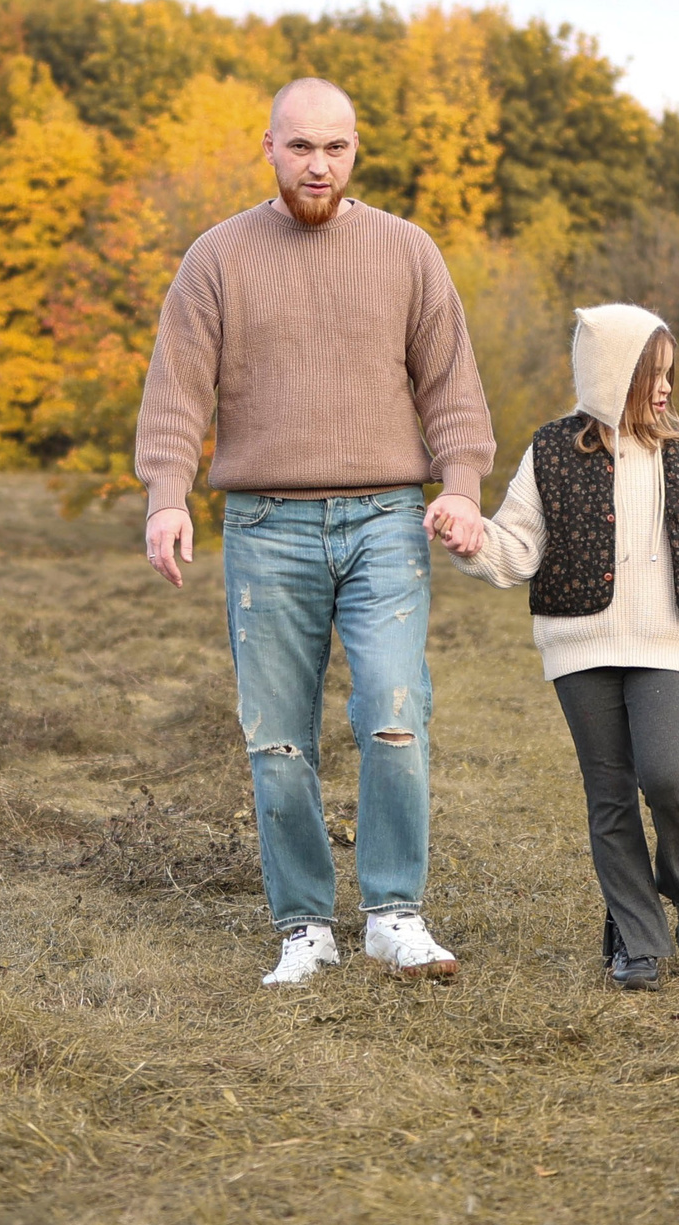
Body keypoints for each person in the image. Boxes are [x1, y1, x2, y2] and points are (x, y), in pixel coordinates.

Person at [134, 77, 496, 985]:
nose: (318, 164)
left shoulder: (407, 252)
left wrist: (461, 483)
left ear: (356, 149)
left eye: (334, 148)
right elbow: (178, 387)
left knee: (394, 712)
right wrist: (166, 495)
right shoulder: (216, 260)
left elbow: (449, 381)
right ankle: (305, 927)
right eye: (300, 147)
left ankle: (393, 913)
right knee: (277, 738)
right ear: (269, 148)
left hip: (383, 519)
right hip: (265, 527)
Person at [437, 305, 679, 990]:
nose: (665, 390)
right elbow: (516, 548)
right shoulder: (549, 451)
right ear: (611, 377)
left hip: (664, 640)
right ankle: (637, 941)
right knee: (609, 796)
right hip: (580, 644)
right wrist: (472, 537)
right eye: (651, 376)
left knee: (664, 774)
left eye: (669, 376)